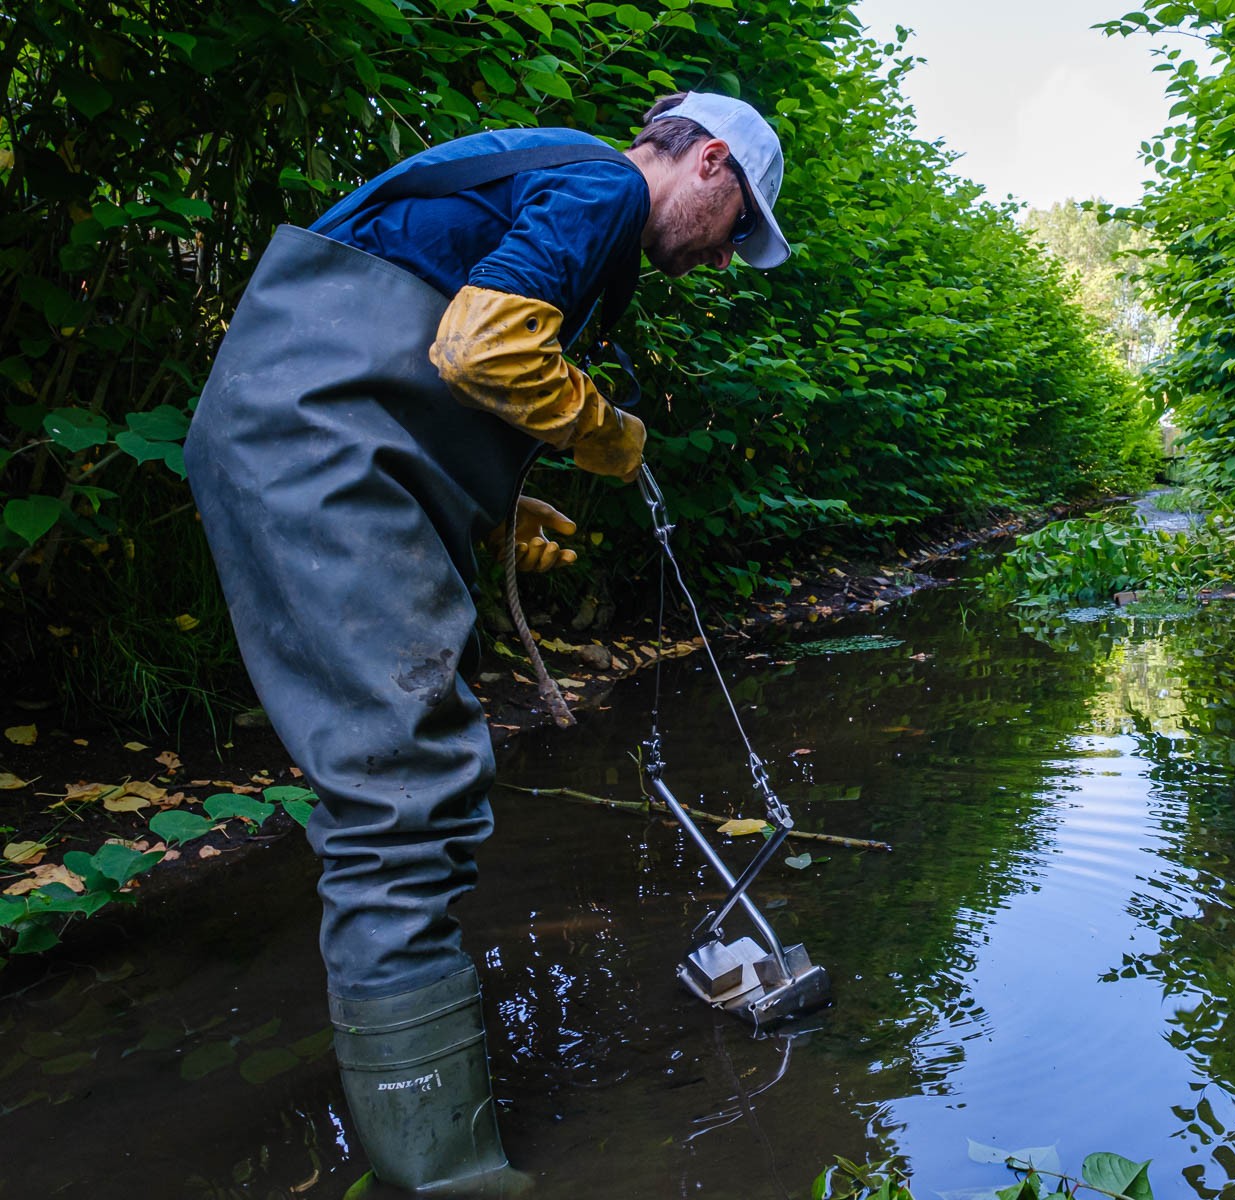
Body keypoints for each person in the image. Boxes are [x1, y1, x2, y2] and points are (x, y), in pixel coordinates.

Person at [184, 92, 790, 1193]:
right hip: (316, 452)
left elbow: (417, 356)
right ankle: (449, 1176)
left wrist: (494, 508)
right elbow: (482, 346)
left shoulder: (554, 181)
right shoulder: (603, 186)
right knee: (403, 797)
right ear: (709, 161)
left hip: (312, 444)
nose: (719, 260)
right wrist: (607, 434)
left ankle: (419, 1126)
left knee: (416, 786)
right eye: (735, 228)